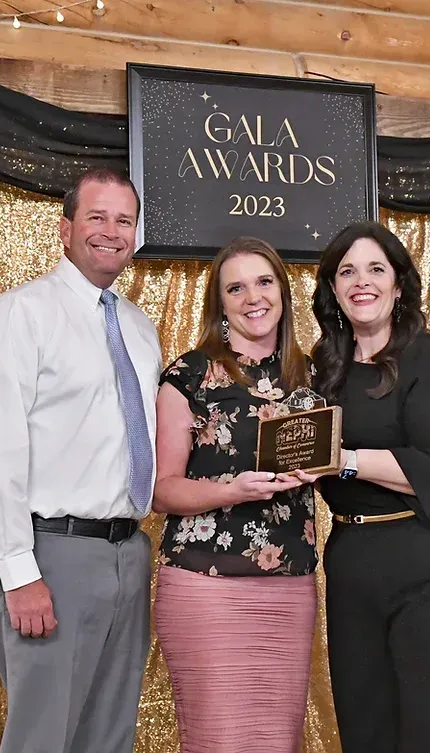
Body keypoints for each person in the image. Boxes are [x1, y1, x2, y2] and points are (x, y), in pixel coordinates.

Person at [0, 167, 162, 753]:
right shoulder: (19, 316)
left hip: (128, 551)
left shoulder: (138, 328)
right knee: (42, 739)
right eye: (96, 217)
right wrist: (20, 572)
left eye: (124, 220)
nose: (110, 231)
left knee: (108, 736)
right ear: (66, 227)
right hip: (52, 556)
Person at [302, 221, 430, 753]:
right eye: (346, 271)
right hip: (353, 562)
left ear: (398, 285)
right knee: (367, 728)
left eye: (375, 269)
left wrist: (344, 461)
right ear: (333, 289)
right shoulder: (323, 368)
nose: (360, 282)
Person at [152, 237, 318, 753]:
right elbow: (162, 490)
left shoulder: (310, 375)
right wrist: (232, 489)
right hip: (206, 585)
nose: (254, 297)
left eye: (264, 281)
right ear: (219, 303)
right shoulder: (190, 374)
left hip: (290, 587)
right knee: (218, 742)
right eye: (236, 287)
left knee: (276, 742)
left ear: (283, 292)